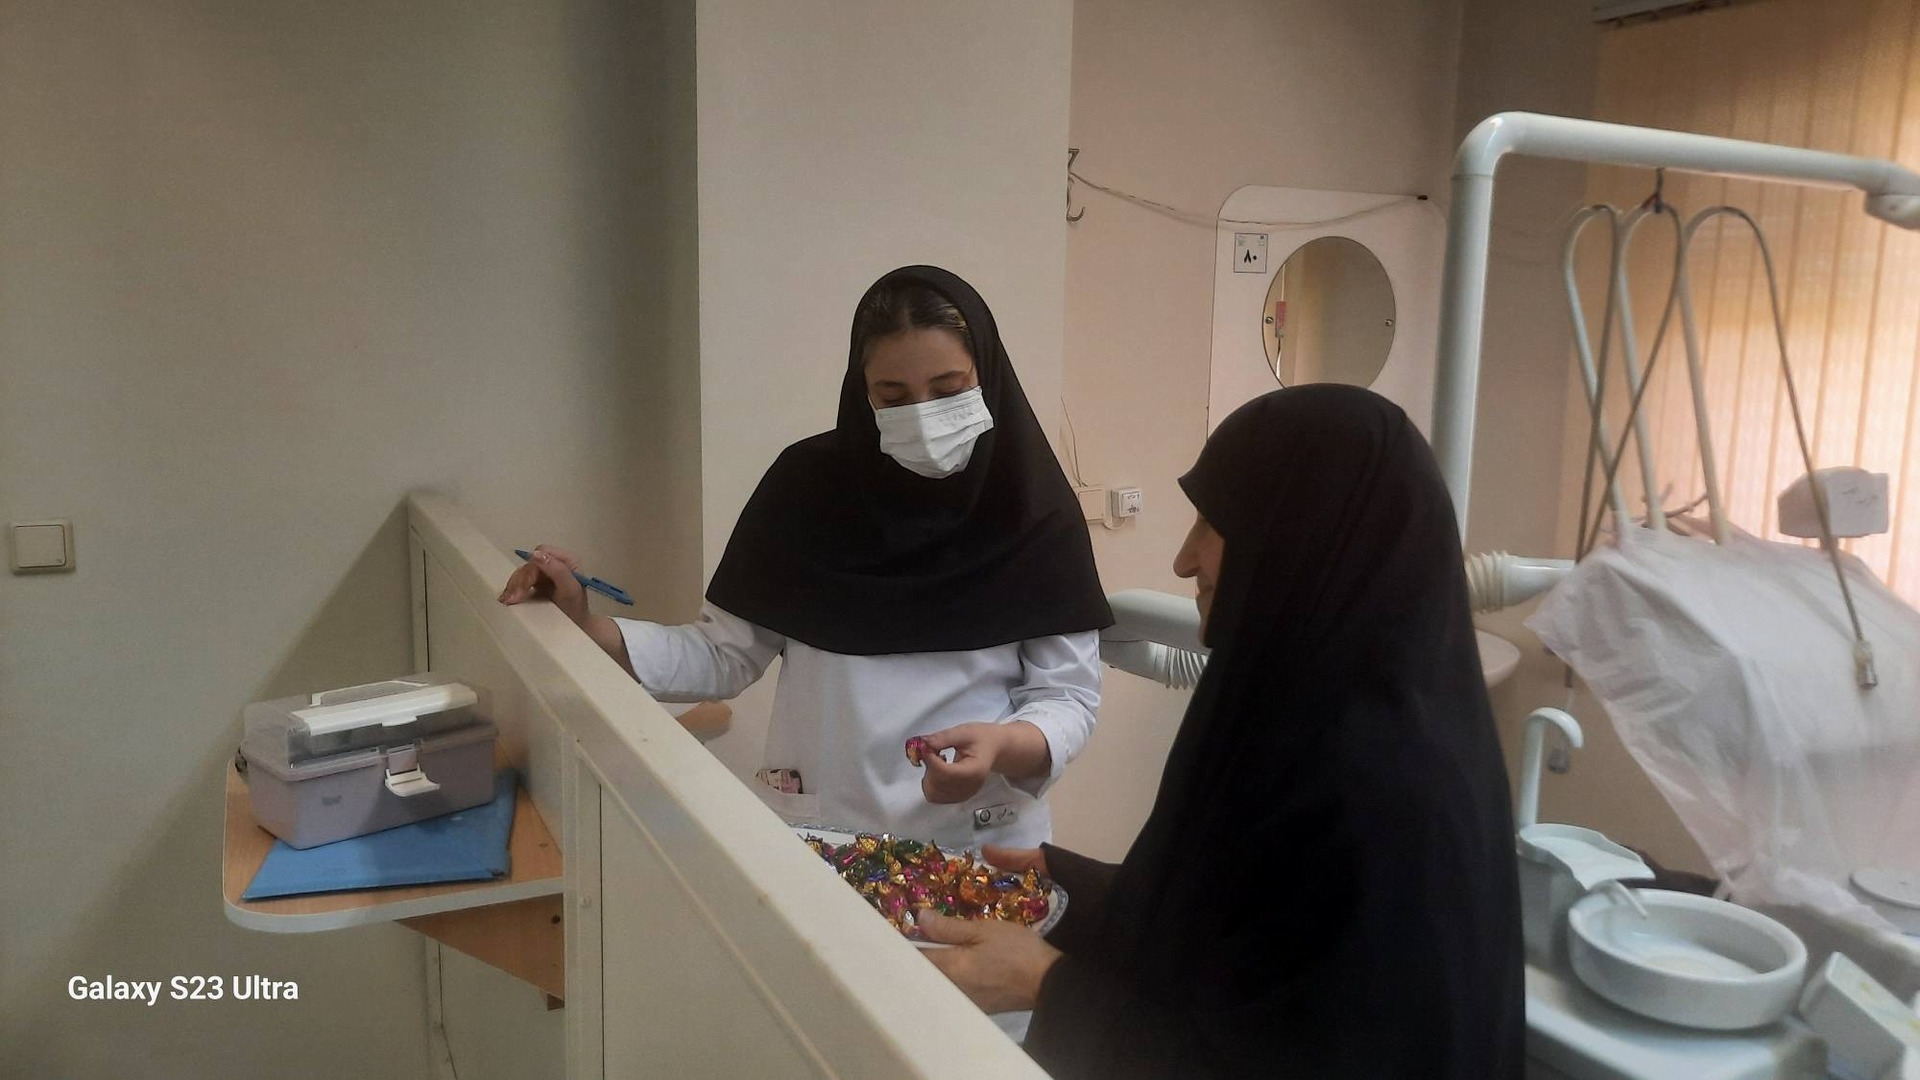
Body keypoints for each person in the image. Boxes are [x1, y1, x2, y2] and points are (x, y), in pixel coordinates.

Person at [921, 385, 1525, 1078]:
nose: (1184, 560)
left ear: (1301, 539)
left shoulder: (1388, 795)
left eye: (1214, 523)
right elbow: (1248, 928)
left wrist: (1044, 985)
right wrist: (1071, 891)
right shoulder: (1296, 714)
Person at [499, 266, 1112, 850]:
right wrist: (585, 624)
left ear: (988, 377)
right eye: (893, 396)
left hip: (982, 846)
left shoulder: (1035, 509)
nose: (923, 418)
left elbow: (1067, 698)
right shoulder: (806, 488)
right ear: (861, 392)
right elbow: (723, 656)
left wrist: (1005, 746)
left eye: (948, 390)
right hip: (827, 840)